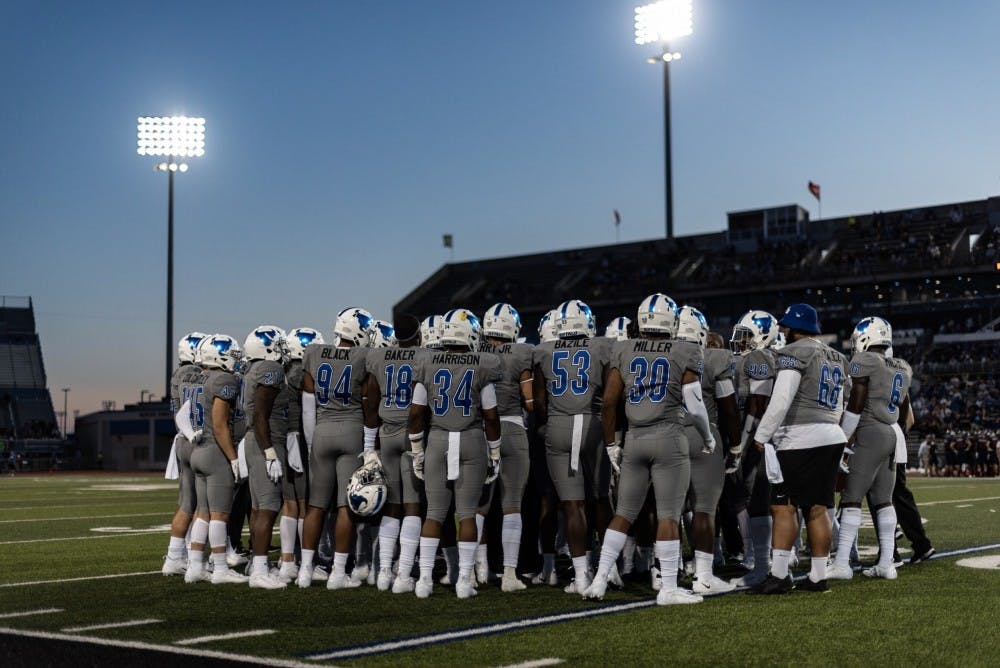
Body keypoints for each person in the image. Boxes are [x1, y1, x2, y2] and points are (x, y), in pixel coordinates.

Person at [582, 293, 714, 605]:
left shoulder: (624, 347)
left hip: (635, 440)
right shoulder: (686, 349)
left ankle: (599, 580)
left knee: (624, 513)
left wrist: (613, 444)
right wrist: (707, 436)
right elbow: (694, 403)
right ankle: (668, 588)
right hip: (669, 437)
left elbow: (610, 402)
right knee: (668, 515)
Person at [750, 303, 848, 594]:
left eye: (786, 327)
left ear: (794, 328)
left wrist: (762, 434)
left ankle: (779, 575)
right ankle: (819, 576)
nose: (783, 332)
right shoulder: (837, 356)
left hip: (799, 436)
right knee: (818, 508)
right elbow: (841, 402)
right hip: (831, 434)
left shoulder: (794, 353)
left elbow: (782, 398)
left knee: (783, 506)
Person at [407, 308, 502, 599]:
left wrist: (417, 449)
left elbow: (415, 414)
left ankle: (424, 581)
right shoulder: (483, 364)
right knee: (467, 515)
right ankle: (463, 582)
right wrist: (495, 451)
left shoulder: (426, 362)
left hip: (437, 439)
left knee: (434, 513)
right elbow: (491, 417)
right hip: (471, 441)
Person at [533, 299, 613, 594]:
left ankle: (580, 577)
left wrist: (551, 421)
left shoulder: (543, 351)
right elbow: (608, 396)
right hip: (592, 425)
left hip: (559, 425)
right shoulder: (603, 347)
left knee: (572, 505)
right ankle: (609, 569)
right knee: (602, 498)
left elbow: (540, 403)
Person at [297, 308, 378, 589]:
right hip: (352, 431)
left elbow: (308, 408)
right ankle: (338, 573)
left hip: (321, 431)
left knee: (315, 506)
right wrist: (369, 448)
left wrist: (310, 443)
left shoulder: (315, 353)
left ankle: (305, 571)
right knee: (347, 507)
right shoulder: (364, 357)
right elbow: (369, 406)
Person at [829, 317, 913, 581]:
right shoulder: (901, 366)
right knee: (883, 500)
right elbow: (902, 411)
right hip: (890, 433)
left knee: (852, 497)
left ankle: (842, 563)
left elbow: (856, 402)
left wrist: (842, 437)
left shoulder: (864, 361)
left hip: (869, 430)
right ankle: (886, 563)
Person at [676, 309, 741, 595]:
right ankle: (703, 574)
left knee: (667, 510)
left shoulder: (659, 354)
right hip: (704, 434)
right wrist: (736, 444)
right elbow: (728, 406)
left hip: (668, 433)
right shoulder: (715, 357)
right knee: (704, 509)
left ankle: (661, 573)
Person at [365, 315, 427, 593]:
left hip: (386, 433)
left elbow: (370, 400)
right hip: (414, 435)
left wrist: (369, 445)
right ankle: (403, 574)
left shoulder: (378, 357)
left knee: (391, 505)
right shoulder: (424, 356)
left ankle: (384, 573)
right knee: (412, 506)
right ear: (418, 336)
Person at [181, 334, 248, 585]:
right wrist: (233, 457)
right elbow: (220, 426)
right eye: (231, 354)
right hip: (214, 451)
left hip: (196, 449)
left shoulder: (194, 377)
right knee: (219, 514)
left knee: (203, 512)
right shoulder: (224, 379)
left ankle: (195, 566)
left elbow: (182, 414)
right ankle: (220, 568)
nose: (235, 360)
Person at [477, 303, 535, 592]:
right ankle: (509, 574)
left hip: (482, 431)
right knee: (512, 505)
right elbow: (529, 402)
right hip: (512, 429)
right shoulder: (522, 353)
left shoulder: (477, 355)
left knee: (479, 506)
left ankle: (478, 569)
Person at [727, 310, 779, 587]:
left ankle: (758, 558)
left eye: (747, 335)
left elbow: (757, 406)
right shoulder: (766, 357)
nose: (741, 341)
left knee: (754, 498)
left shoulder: (759, 358)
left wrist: (742, 443)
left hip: (760, 438)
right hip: (767, 436)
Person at [241, 326, 293, 589]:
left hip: (256, 441)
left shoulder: (253, 370)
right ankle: (260, 570)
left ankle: (255, 563)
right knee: (268, 508)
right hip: (267, 440)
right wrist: (270, 452)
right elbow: (261, 415)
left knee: (258, 507)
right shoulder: (270, 370)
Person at [278, 326, 324, 583]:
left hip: (284, 438)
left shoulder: (284, 370)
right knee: (304, 503)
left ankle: (287, 561)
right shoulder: (299, 373)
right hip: (299, 439)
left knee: (289, 502)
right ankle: (300, 560)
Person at [162, 332, 207, 576]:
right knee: (197, 504)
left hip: (183, 437)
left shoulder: (179, 374)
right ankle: (190, 556)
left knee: (188, 504)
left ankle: (175, 556)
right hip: (194, 439)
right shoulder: (191, 375)